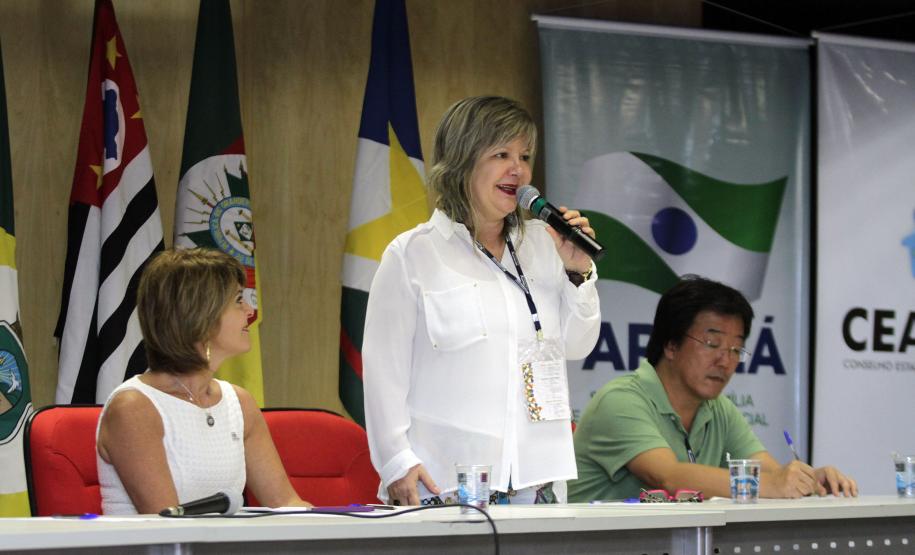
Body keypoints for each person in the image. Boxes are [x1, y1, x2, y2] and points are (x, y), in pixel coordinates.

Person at [363, 96, 601, 506]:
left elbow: (579, 344)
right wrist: (396, 461)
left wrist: (578, 272)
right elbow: (383, 370)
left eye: (525, 156)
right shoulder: (413, 254)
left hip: (538, 480)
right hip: (445, 482)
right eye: (501, 154)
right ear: (461, 161)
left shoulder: (547, 249)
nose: (519, 169)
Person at [569, 275, 858, 502]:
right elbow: (669, 477)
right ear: (671, 344)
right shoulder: (620, 401)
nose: (725, 360)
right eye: (712, 344)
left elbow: (770, 473)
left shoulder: (718, 410)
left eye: (736, 349)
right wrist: (772, 484)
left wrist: (809, 480)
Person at [96, 248, 312, 514]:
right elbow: (168, 525)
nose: (250, 310)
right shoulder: (133, 408)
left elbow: (287, 505)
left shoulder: (239, 403)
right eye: (237, 300)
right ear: (200, 315)